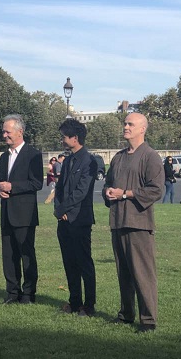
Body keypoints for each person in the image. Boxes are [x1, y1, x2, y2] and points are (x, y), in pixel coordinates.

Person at [103, 113, 164, 332]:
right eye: (125, 123)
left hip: (138, 223)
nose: (125, 127)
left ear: (142, 129)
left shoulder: (150, 156)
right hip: (118, 221)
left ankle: (148, 320)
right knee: (124, 272)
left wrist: (125, 194)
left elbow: (156, 189)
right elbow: (109, 184)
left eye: (131, 124)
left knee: (143, 273)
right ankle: (126, 314)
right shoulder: (118, 157)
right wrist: (108, 192)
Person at [0, 114, 43, 304]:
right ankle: (12, 292)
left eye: (8, 131)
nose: (4, 135)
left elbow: (36, 183)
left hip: (24, 214)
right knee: (9, 255)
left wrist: (12, 187)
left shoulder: (33, 154)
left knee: (26, 254)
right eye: (3, 131)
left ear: (20, 132)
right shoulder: (4, 156)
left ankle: (28, 294)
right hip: (6, 213)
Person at [53, 118, 98, 317]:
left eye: (64, 136)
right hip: (64, 219)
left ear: (75, 138)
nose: (62, 140)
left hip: (80, 220)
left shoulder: (90, 161)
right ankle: (74, 301)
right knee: (69, 263)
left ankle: (88, 306)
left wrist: (64, 209)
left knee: (84, 263)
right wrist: (59, 210)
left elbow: (81, 192)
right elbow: (60, 188)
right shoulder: (68, 159)